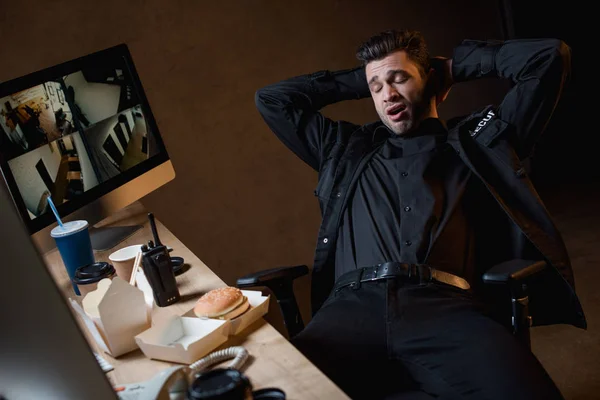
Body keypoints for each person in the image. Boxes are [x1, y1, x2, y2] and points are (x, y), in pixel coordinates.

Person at [254, 29, 586, 399]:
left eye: (399, 78)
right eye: (376, 88)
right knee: (277, 389)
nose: (387, 94)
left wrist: (454, 67)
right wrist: (368, 76)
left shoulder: (478, 141)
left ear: (432, 82)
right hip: (350, 310)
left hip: (446, 308)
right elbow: (272, 100)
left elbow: (549, 57)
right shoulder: (343, 149)